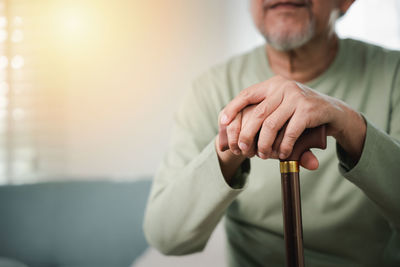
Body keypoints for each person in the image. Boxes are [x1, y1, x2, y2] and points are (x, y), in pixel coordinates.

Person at [143, 0, 400, 266]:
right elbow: (166, 236)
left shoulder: (394, 74)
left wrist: (351, 125)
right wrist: (234, 144)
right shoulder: (210, 89)